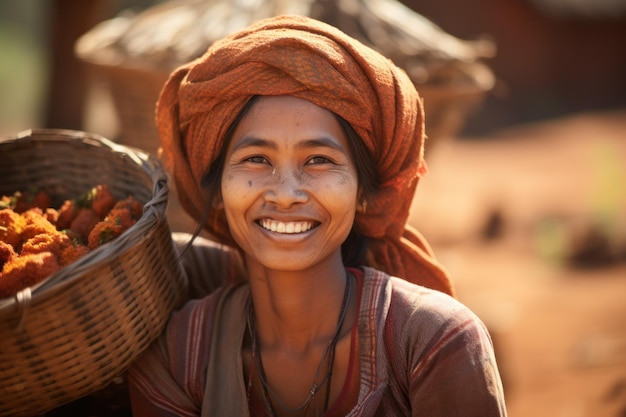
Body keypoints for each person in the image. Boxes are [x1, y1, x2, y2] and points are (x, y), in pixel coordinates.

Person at [127, 14, 507, 417]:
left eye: (319, 160)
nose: (287, 194)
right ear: (217, 189)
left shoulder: (431, 343)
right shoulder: (179, 355)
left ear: (364, 193)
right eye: (256, 159)